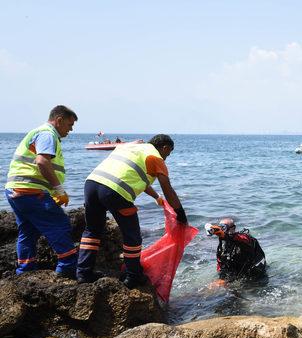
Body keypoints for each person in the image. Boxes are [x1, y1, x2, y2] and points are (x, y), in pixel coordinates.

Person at [77, 134, 188, 288]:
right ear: (165, 148)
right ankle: (133, 276)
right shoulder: (156, 158)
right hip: (114, 191)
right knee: (132, 237)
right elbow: (168, 189)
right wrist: (180, 213)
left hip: (91, 184)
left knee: (92, 231)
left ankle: (83, 273)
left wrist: (156, 197)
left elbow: (136, 178)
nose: (166, 158)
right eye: (168, 154)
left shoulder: (131, 147)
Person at [4, 105, 78, 278]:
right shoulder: (47, 134)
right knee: (60, 225)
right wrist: (58, 189)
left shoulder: (41, 132)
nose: (71, 130)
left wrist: (51, 191)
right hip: (30, 191)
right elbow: (42, 162)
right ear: (59, 120)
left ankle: (25, 270)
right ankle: (67, 269)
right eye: (69, 124)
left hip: (16, 190)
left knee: (28, 230)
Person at [205, 218, 267, 283]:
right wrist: (222, 278)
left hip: (256, 274)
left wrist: (225, 236)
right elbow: (221, 264)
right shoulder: (222, 246)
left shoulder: (244, 238)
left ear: (233, 228)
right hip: (239, 272)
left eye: (224, 227)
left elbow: (241, 239)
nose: (222, 231)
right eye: (220, 228)